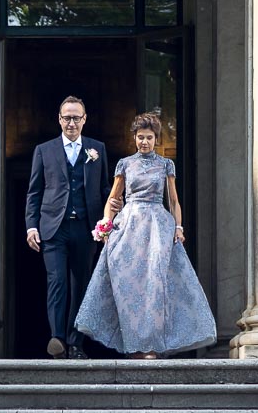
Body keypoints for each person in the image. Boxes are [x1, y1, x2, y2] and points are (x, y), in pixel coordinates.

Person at [74, 110, 215, 358]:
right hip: (128, 226)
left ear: (156, 139)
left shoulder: (165, 165)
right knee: (129, 289)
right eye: (140, 137)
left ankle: (151, 346)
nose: (144, 142)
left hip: (157, 227)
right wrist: (106, 224)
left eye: (149, 137)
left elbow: (173, 200)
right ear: (134, 138)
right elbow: (113, 198)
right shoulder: (125, 164)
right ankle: (133, 346)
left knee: (154, 286)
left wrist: (178, 228)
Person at [24, 95, 108, 358]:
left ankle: (75, 342)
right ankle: (57, 338)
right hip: (53, 228)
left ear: (85, 119)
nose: (71, 123)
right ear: (59, 119)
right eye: (66, 117)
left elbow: (105, 189)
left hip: (86, 228)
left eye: (76, 118)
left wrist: (110, 221)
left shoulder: (97, 149)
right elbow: (34, 192)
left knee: (81, 286)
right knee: (57, 281)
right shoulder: (44, 150)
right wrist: (31, 226)